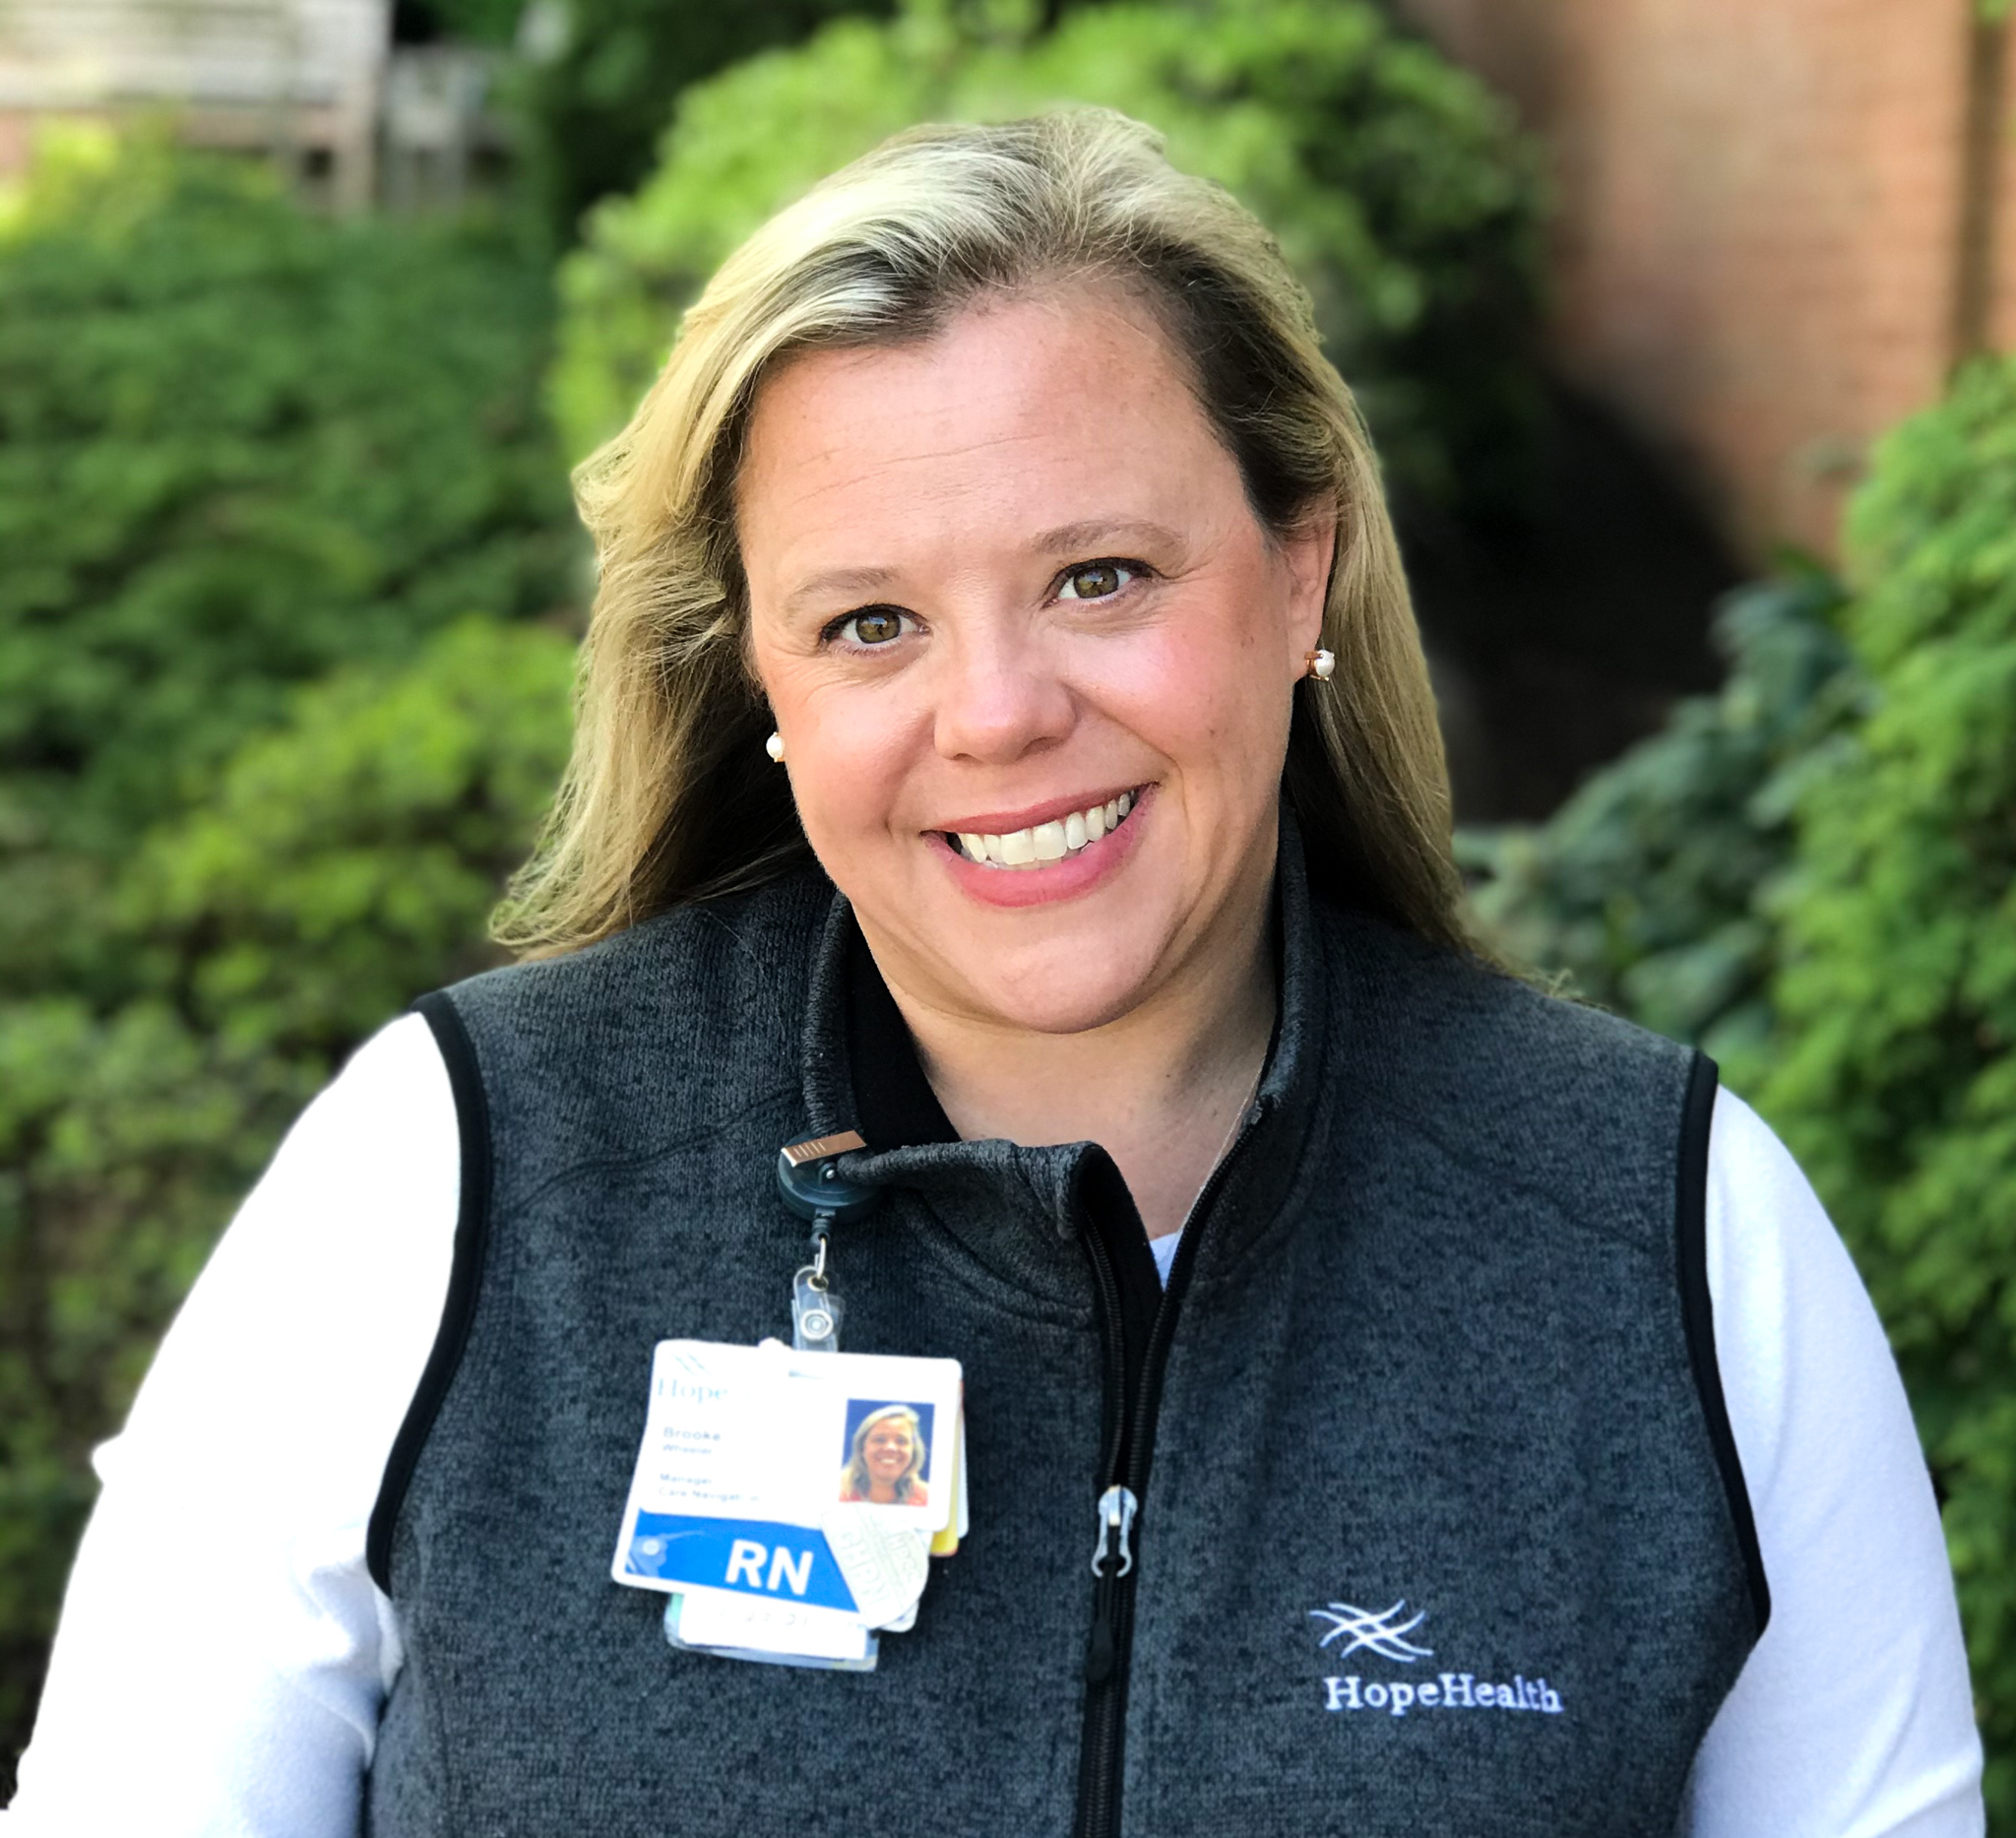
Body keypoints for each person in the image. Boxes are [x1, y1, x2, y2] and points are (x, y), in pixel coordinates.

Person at [6, 110, 1985, 1836]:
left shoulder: (1667, 1234)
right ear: (760, 686)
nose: (1000, 712)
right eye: (869, 621)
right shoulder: (445, 1181)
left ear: (1297, 572)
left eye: (1097, 577)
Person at [839, 1405, 930, 1506]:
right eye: (879, 1440)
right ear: (862, 1448)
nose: (890, 1448)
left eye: (901, 1441)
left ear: (913, 1450)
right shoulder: (831, 1491)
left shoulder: (930, 1499)